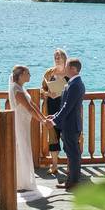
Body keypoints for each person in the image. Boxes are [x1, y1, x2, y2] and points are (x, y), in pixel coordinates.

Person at [46, 58, 85, 189]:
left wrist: (54, 121)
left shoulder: (75, 85)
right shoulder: (73, 83)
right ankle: (73, 179)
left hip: (71, 125)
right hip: (69, 123)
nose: (65, 69)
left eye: (67, 67)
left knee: (73, 154)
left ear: (73, 69)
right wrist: (55, 115)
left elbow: (67, 107)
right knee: (71, 152)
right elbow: (65, 106)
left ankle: (73, 182)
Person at [8, 65, 45, 192]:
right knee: (21, 148)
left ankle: (23, 178)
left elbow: (33, 104)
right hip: (19, 122)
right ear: (22, 74)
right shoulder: (17, 90)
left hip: (25, 122)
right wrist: (43, 122)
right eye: (28, 73)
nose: (30, 75)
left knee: (24, 147)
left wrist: (43, 117)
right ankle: (20, 180)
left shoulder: (21, 88)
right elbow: (28, 108)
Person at [40, 48, 69, 176]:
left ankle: (70, 166)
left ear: (64, 58)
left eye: (59, 56)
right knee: (53, 137)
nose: (57, 58)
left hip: (66, 109)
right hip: (51, 107)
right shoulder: (49, 73)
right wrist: (48, 93)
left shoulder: (69, 73)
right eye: (55, 56)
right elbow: (42, 90)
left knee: (68, 137)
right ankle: (54, 165)